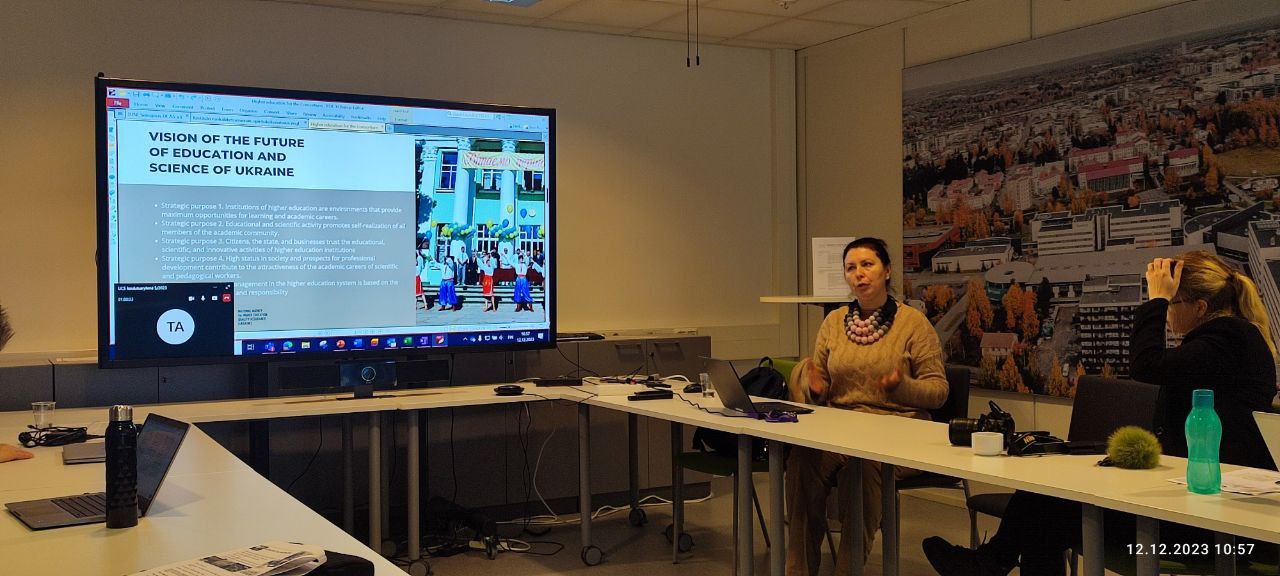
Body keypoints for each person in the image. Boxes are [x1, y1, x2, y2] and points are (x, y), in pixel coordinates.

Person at [923, 250, 1279, 576]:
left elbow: (1146, 365)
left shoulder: (1228, 341)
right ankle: (991, 562)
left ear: (1200, 308)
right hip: (1197, 501)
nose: (1168, 314)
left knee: (1047, 511)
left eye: (1173, 304)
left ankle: (990, 562)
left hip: (1214, 531)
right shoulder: (1230, 340)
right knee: (1045, 500)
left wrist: (1156, 299)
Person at [787, 237, 948, 576]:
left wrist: (903, 387)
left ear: (887, 271)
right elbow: (821, 384)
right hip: (842, 431)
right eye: (850, 268)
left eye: (867, 264)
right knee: (802, 458)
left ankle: (847, 571)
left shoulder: (913, 323)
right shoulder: (834, 322)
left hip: (898, 433)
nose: (858, 273)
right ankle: (798, 570)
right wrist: (814, 388)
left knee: (860, 468)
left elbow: (939, 392)